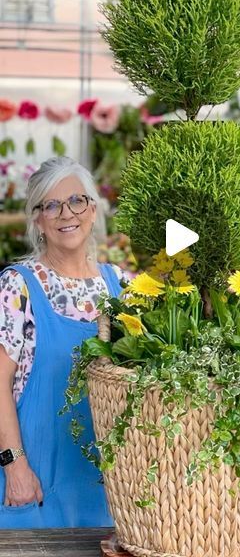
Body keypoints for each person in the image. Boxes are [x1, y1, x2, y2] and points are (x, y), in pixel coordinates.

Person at [0, 156, 123, 529]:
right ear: (37, 220)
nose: (65, 213)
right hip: (36, 483)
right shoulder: (17, 285)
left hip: (106, 487)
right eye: (50, 205)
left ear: (92, 208)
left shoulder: (119, 286)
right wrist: (15, 465)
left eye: (76, 200)